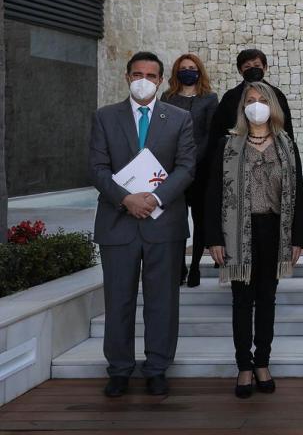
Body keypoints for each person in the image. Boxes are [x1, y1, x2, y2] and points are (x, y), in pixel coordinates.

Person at [88, 51, 196, 398]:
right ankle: (119, 369)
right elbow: (97, 168)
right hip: (118, 223)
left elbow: (186, 167)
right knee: (118, 300)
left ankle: (157, 368)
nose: (143, 81)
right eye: (137, 74)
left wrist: (154, 198)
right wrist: (126, 199)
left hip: (163, 223)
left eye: (151, 75)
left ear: (162, 80)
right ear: (126, 77)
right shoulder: (105, 117)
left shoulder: (179, 118)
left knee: (162, 301)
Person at [206, 81, 303, 399]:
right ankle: (244, 366)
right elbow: (213, 194)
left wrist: (297, 239)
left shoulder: (286, 144)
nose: (256, 104)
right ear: (242, 107)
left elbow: (298, 194)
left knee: (266, 299)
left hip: (275, 231)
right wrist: (213, 239)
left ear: (272, 105)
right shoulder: (228, 145)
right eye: (250, 100)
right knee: (241, 301)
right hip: (238, 232)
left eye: (262, 99)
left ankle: (262, 361)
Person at [161, 53, 218, 287]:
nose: (188, 71)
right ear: (176, 72)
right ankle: (179, 266)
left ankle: (195, 266)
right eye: (183, 68)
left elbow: (210, 132)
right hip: (173, 169)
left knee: (200, 218)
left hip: (200, 168)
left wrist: (193, 159)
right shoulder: (167, 97)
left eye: (192, 68)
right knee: (176, 218)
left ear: (199, 71)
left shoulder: (209, 98)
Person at [209, 49, 294, 153]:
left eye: (257, 66)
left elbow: (286, 128)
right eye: (247, 67)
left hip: (273, 151)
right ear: (240, 71)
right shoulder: (230, 97)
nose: (253, 69)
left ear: (265, 67)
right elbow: (217, 131)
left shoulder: (277, 95)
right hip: (237, 152)